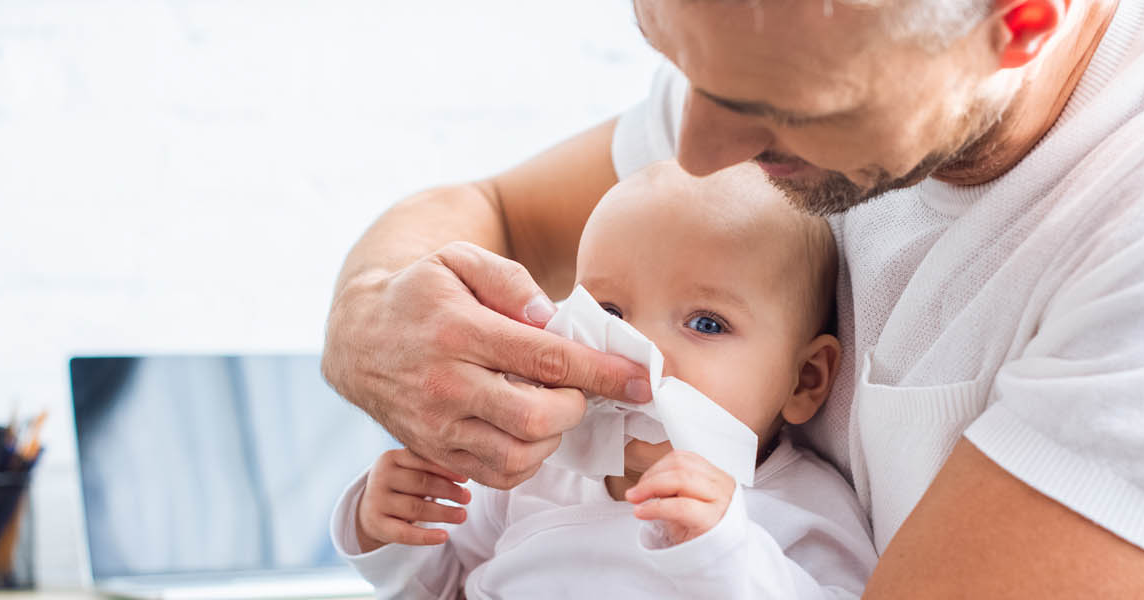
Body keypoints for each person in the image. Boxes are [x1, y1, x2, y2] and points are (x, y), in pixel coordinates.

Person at [321, 0, 1144, 596]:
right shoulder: (783, 38)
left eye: (782, 115)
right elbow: (490, 210)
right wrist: (369, 315)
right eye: (674, 56)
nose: (704, 153)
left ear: (1021, 23)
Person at [329, 161, 877, 598]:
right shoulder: (533, 468)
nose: (638, 351)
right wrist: (390, 532)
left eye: (706, 323)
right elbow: (441, 588)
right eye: (609, 314)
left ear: (804, 379)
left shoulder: (800, 506)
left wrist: (722, 552)